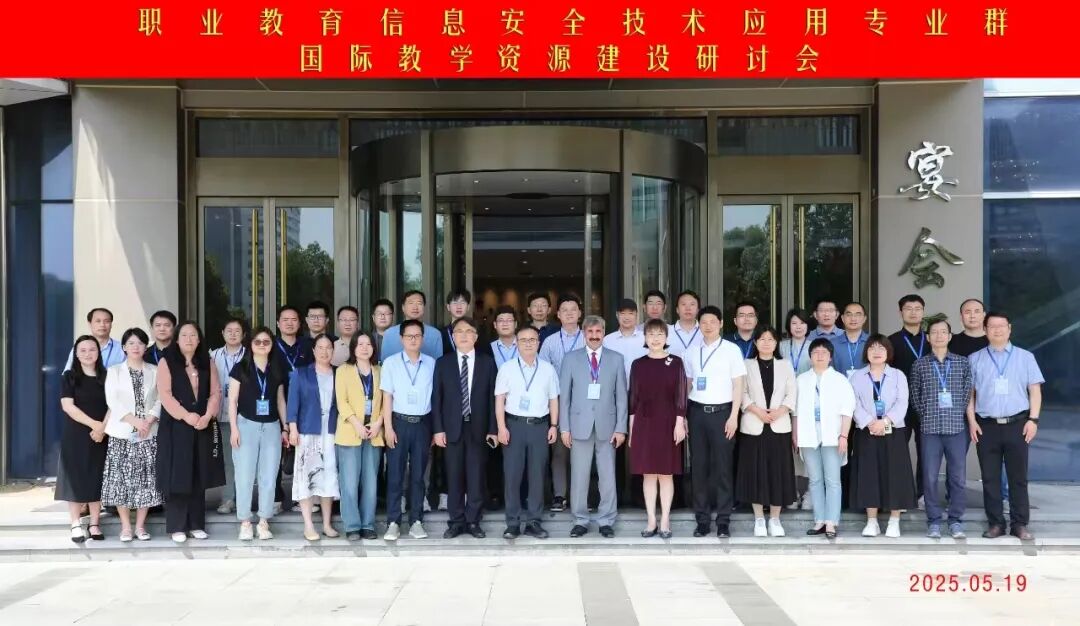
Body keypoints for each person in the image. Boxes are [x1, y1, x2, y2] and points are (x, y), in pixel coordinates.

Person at [967, 312, 1043, 541]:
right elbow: (969, 394)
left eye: (1002, 326)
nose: (997, 330)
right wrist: (972, 421)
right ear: (985, 330)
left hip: (1017, 424)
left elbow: (1035, 390)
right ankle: (996, 524)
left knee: (1018, 477)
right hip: (986, 426)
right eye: (992, 326)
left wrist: (1033, 420)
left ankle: (1019, 524)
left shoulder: (1025, 357)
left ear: (1009, 328)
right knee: (989, 478)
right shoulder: (975, 358)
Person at [156, 321, 225, 543]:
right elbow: (165, 395)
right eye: (184, 335)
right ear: (176, 340)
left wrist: (208, 415)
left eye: (193, 335)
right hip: (176, 425)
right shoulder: (167, 362)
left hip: (202, 425)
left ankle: (196, 524)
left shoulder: (207, 361)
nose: (189, 339)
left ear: (199, 339)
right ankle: (177, 526)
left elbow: (215, 392)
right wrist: (186, 416)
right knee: (178, 474)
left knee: (198, 472)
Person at [560, 316, 627, 538]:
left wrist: (621, 427)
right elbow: (564, 397)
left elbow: (621, 397)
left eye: (598, 331)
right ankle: (580, 520)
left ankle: (606, 520)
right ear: (584, 333)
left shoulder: (616, 359)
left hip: (608, 426)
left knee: (607, 476)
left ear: (604, 332)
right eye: (590, 332)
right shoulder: (570, 359)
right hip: (579, 425)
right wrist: (564, 428)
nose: (595, 336)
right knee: (579, 476)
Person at [683, 305, 746, 538]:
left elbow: (738, 385)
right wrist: (683, 415)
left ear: (721, 323)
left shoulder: (731, 350)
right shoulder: (691, 351)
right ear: (698, 325)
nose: (708, 326)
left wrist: (734, 416)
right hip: (697, 412)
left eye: (712, 321)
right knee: (699, 467)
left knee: (722, 468)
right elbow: (688, 383)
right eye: (704, 322)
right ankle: (702, 520)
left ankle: (723, 520)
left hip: (722, 413)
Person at [432, 317, 498, 538]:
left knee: (476, 476)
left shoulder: (487, 363)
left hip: (478, 428)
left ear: (476, 337)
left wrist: (493, 429)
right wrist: (438, 429)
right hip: (452, 428)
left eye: (469, 331)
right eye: (459, 331)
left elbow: (493, 399)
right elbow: (436, 398)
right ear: (453, 336)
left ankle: (473, 521)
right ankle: (456, 521)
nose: (463, 335)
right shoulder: (443, 363)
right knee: (454, 477)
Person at [495, 325, 560, 539]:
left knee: (537, 475)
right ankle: (513, 523)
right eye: (523, 340)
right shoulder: (507, 368)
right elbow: (499, 400)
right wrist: (501, 427)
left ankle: (534, 521)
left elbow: (553, 399)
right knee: (512, 475)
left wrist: (553, 425)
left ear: (538, 342)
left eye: (532, 339)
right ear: (517, 343)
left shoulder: (548, 369)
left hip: (539, 426)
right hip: (513, 426)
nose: (528, 343)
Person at [911, 319, 973, 539]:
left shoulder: (962, 363)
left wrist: (956, 414)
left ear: (950, 336)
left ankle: (955, 520)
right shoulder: (920, 364)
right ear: (928, 338)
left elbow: (967, 393)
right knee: (929, 477)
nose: (939, 336)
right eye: (934, 332)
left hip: (956, 428)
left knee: (958, 478)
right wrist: (927, 414)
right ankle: (934, 521)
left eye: (943, 332)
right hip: (930, 429)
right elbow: (915, 396)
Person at [849, 335, 916, 538]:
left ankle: (894, 521)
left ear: (888, 352)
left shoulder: (897, 375)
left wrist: (884, 422)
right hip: (866, 431)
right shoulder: (857, 376)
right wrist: (870, 422)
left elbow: (902, 402)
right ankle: (872, 521)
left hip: (893, 431)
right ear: (866, 352)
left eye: (881, 348)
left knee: (895, 474)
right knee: (868, 475)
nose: (876, 352)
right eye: (872, 348)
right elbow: (853, 403)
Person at [102, 328, 164, 542]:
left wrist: (149, 419)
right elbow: (112, 400)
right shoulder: (114, 371)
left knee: (146, 479)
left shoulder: (155, 370)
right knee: (121, 479)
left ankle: (140, 526)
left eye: (140, 343)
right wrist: (134, 421)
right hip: (122, 433)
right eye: (131, 343)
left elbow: (161, 398)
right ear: (124, 347)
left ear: (146, 347)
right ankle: (126, 527)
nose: (135, 347)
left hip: (148, 432)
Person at [228, 326, 288, 542]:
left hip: (271, 426)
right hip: (246, 426)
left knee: (269, 476)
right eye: (257, 342)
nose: (262, 345)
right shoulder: (240, 368)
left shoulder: (277, 368)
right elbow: (232, 401)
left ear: (272, 345)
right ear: (250, 344)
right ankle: (245, 522)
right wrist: (234, 428)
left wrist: (285, 427)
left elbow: (280, 401)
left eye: (266, 342)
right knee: (244, 476)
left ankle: (263, 521)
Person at [628, 319, 686, 538]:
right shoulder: (638, 364)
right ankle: (651, 519)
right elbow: (633, 399)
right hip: (644, 423)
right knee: (649, 474)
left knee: (666, 473)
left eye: (660, 334)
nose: (655, 339)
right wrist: (632, 431)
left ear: (666, 337)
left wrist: (679, 423)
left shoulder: (676, 362)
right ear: (645, 338)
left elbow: (681, 396)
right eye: (651, 334)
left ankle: (665, 519)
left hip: (669, 422)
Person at [737, 326, 797, 538]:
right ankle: (759, 519)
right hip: (754, 424)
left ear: (776, 343)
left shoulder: (785, 365)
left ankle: (775, 518)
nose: (766, 343)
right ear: (755, 342)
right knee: (755, 472)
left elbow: (792, 392)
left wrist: (781, 411)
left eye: (770, 339)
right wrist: (757, 411)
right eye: (762, 339)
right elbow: (741, 392)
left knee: (777, 473)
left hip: (779, 425)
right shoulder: (746, 364)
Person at [380, 319, 437, 541]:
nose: (413, 340)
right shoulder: (391, 363)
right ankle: (393, 522)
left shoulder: (432, 363)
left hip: (423, 424)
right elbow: (387, 397)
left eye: (417, 336)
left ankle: (416, 521)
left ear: (422, 338)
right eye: (409, 336)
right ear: (401, 339)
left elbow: (436, 399)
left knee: (418, 476)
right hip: (398, 423)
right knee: (395, 475)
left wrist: (435, 429)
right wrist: (388, 427)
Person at [794, 338, 855, 539]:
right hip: (808, 435)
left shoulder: (840, 380)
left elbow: (847, 411)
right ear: (810, 356)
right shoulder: (802, 380)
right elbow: (795, 411)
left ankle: (831, 522)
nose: (819, 356)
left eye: (824, 353)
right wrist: (795, 434)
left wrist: (844, 435)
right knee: (815, 480)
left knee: (833, 480)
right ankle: (819, 520)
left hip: (833, 436)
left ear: (830, 357)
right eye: (815, 352)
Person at [57, 335, 110, 543]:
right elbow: (68, 406)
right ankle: (75, 524)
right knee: (75, 478)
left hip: (102, 435)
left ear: (98, 352)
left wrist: (102, 428)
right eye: (83, 350)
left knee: (97, 476)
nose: (88, 354)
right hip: (76, 434)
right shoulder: (69, 377)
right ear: (76, 354)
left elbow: (114, 404)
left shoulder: (107, 376)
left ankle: (95, 523)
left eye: (92, 349)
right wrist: (94, 425)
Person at [287, 334, 340, 541]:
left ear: (333, 351)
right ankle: (308, 525)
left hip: (332, 430)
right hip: (308, 429)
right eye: (320, 347)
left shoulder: (339, 373)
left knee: (329, 475)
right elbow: (293, 404)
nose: (324, 351)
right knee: (306, 476)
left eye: (328, 348)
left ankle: (327, 524)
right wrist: (292, 429)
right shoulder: (301, 373)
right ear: (313, 350)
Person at [335, 331, 384, 540]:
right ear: (353, 348)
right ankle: (352, 525)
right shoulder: (343, 371)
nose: (364, 348)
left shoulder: (380, 370)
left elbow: (387, 401)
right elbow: (342, 401)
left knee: (370, 482)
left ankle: (368, 524)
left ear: (374, 347)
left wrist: (378, 423)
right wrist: (357, 424)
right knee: (349, 482)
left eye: (368, 344)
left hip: (374, 432)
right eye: (360, 344)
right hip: (350, 431)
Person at [538, 292, 583, 513]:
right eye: (564, 310)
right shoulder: (549, 342)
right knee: (559, 451)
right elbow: (543, 373)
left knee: (582, 451)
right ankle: (559, 495)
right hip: (557, 401)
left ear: (580, 313)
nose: (569, 313)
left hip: (584, 402)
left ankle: (580, 496)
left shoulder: (588, 338)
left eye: (573, 310)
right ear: (558, 314)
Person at [888, 294, 928, 500]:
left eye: (917, 308)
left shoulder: (931, 339)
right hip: (899, 406)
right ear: (900, 312)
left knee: (926, 452)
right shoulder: (891, 341)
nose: (913, 312)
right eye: (908, 308)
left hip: (927, 405)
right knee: (897, 451)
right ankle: (900, 493)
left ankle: (923, 494)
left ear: (923, 312)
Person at [211, 318, 246, 515]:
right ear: (223, 333)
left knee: (246, 460)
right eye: (229, 330)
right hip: (222, 415)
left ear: (244, 334)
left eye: (237, 330)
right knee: (228, 461)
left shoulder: (249, 355)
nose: (233, 334)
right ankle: (228, 499)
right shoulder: (213, 356)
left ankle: (244, 500)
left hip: (246, 416)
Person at [780, 308, 813, 511]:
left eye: (802, 323)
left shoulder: (814, 347)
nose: (798, 327)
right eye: (794, 323)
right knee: (787, 451)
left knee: (807, 448)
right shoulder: (781, 347)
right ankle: (792, 492)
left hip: (807, 405)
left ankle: (809, 493)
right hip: (783, 405)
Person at [379, 290, 444, 360]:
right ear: (403, 307)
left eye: (419, 303)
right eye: (411, 303)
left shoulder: (435, 334)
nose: (415, 307)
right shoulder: (389, 334)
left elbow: (438, 363)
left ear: (424, 307)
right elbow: (385, 362)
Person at [64, 307, 125, 372]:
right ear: (90, 324)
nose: (102, 325)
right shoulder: (79, 347)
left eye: (106, 321)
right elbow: (67, 373)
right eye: (98, 321)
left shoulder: (122, 349)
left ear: (111, 324)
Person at [603, 298, 648, 381]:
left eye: (631, 313)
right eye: (623, 313)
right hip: (615, 387)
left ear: (636, 315)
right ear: (617, 315)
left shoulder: (646, 338)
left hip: (642, 386)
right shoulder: (607, 341)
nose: (627, 317)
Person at [831, 302, 870, 377]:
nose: (853, 318)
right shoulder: (832, 344)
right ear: (842, 318)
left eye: (857, 315)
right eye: (849, 315)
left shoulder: (872, 342)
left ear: (864, 319)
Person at [275, 305, 314, 374]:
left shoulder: (309, 345)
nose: (290, 323)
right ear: (278, 323)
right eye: (285, 320)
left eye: (294, 320)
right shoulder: (271, 345)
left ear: (299, 324)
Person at [668, 290, 704, 358]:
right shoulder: (666, 332)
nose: (688, 308)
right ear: (677, 309)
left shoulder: (705, 332)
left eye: (692, 304)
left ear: (698, 310)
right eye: (683, 304)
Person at [490, 305, 519, 369]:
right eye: (501, 320)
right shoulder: (489, 348)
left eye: (509, 320)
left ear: (515, 324)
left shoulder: (526, 344)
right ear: (495, 325)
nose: (505, 324)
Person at [371, 298, 395, 363]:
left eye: (386, 313)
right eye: (379, 314)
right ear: (373, 317)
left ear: (392, 316)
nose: (383, 317)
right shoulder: (367, 338)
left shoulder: (400, 338)